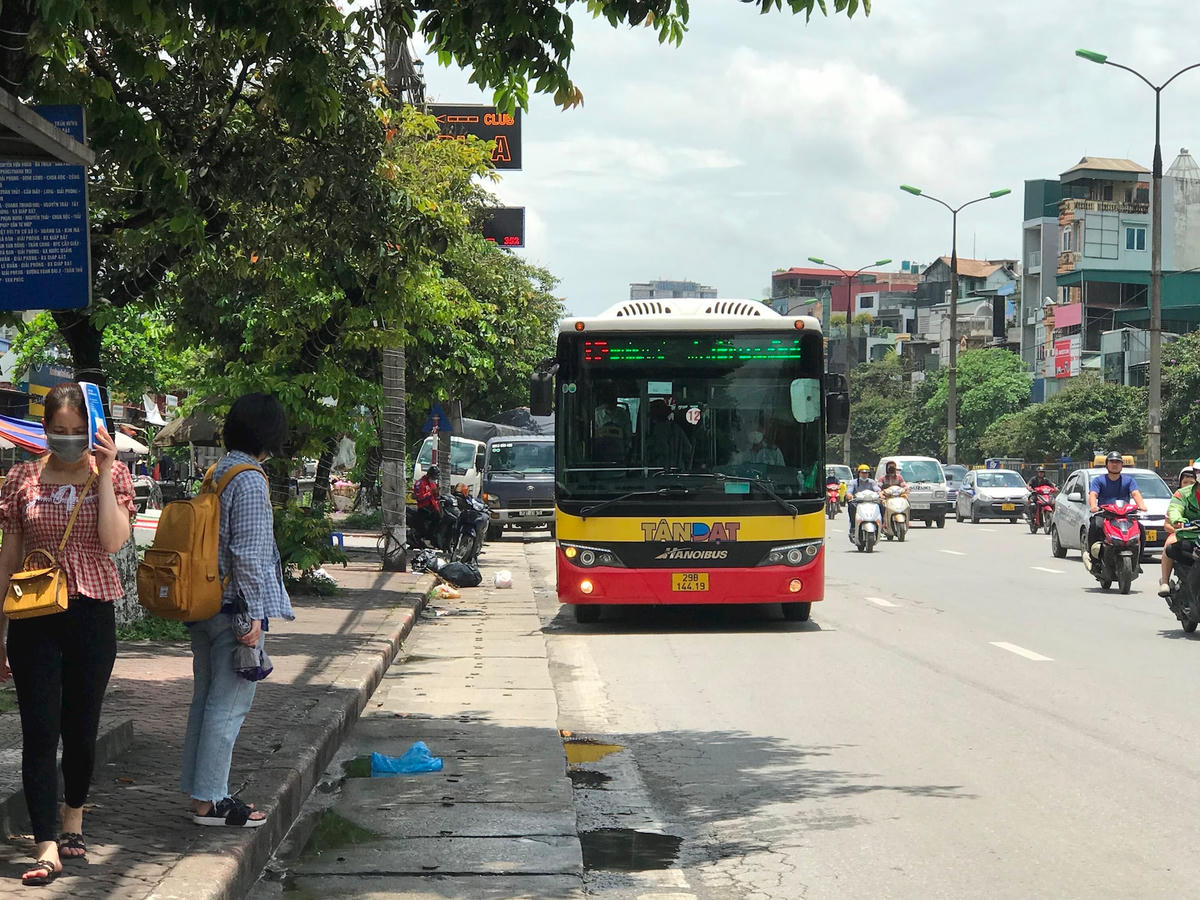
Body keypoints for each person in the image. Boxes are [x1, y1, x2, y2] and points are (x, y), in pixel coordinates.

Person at [0, 383, 135, 885]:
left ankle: (73, 817)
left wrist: (102, 474)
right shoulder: (21, 478)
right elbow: (9, 557)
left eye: (80, 433)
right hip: (34, 617)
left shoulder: (114, 474)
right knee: (39, 732)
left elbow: (113, 541)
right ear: (45, 430)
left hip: (91, 614)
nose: (70, 441)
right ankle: (46, 845)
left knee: (80, 729)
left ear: (94, 432)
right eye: (60, 432)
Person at [181, 393, 292, 829]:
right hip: (233, 611)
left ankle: (201, 796)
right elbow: (248, 555)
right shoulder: (249, 478)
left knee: (206, 702)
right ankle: (213, 801)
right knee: (227, 708)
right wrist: (253, 619)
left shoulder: (217, 471)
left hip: (206, 605)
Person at [1085, 451, 1146, 572]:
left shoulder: (1129, 481)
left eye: (1117, 462)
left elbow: (1135, 493)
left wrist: (1142, 505)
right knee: (1095, 525)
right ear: (1107, 464)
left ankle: (1138, 561)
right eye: (1112, 462)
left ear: (1121, 465)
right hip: (1105, 514)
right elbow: (1093, 494)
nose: (1114, 464)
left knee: (1141, 529)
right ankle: (1095, 561)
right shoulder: (1099, 480)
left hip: (1125, 515)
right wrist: (1093, 506)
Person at [1159, 463, 1198, 596]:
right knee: (1170, 545)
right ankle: (1165, 581)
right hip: (1185, 535)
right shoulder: (1180, 495)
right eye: (1185, 481)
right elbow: (1174, 511)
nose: (1188, 484)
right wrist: (1178, 522)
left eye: (1190, 481)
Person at [643, 399, 692, 470]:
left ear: (655, 416)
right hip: (678, 472)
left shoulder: (658, 430)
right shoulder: (677, 428)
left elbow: (660, 450)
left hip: (659, 472)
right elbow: (688, 449)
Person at [593, 386, 632, 463]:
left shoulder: (623, 414)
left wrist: (626, 450)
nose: (610, 400)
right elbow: (594, 434)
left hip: (619, 454)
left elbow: (628, 435)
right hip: (601, 455)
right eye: (607, 397)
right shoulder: (597, 414)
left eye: (612, 398)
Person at [411, 464, 442, 548]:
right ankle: (427, 538)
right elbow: (419, 497)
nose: (434, 479)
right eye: (434, 477)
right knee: (436, 518)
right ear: (430, 475)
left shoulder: (432, 483)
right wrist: (430, 493)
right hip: (423, 507)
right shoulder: (420, 483)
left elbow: (435, 496)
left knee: (440, 518)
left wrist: (436, 493)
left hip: (433, 506)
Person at [846, 464, 880, 537]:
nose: (864, 475)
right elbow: (849, 491)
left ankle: (881, 525)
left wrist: (881, 494)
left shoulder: (872, 482)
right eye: (863, 473)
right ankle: (853, 527)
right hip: (858, 503)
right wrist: (849, 495)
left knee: (881, 506)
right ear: (859, 473)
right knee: (851, 506)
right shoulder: (853, 482)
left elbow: (877, 490)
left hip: (871, 502)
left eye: (866, 473)